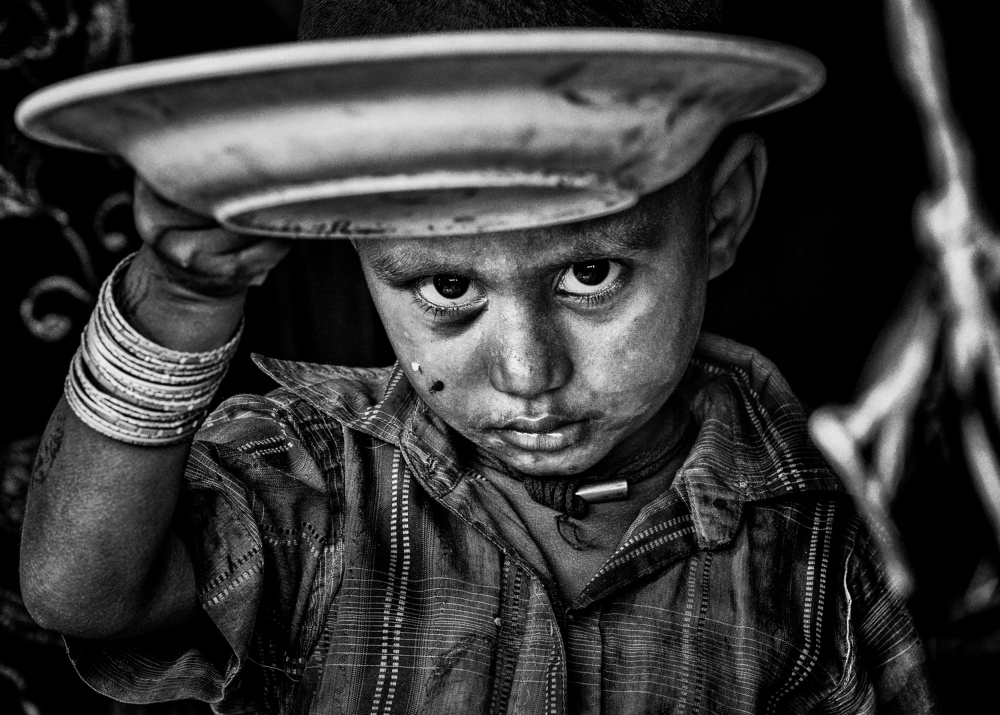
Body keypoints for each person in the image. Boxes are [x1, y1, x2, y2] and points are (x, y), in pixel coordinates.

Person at [18, 1, 937, 713]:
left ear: (724, 212)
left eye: (591, 270)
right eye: (448, 289)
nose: (528, 374)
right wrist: (177, 301)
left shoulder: (825, 540)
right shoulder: (312, 476)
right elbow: (83, 592)